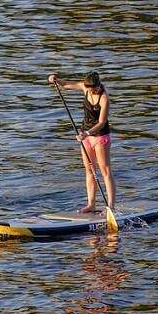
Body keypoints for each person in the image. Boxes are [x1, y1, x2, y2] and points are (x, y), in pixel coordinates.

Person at [48, 71, 116, 213]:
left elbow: (102, 122)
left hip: (100, 136)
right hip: (85, 137)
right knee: (89, 170)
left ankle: (110, 206)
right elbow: (66, 85)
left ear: (97, 86)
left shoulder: (104, 98)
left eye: (91, 88)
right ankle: (91, 204)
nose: (89, 90)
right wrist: (56, 80)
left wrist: (87, 133)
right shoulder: (85, 87)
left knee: (105, 171)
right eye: (87, 88)